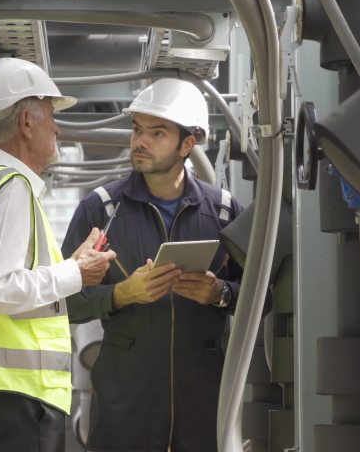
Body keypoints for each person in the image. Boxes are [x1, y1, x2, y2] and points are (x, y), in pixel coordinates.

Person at [0, 58, 117, 452]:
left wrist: (71, 264)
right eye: (51, 115)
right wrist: (74, 273)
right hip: (17, 391)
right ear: (26, 122)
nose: (57, 128)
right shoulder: (12, 188)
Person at [61, 79, 246, 452]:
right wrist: (119, 295)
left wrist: (220, 293)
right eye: (137, 129)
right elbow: (62, 302)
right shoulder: (101, 210)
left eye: (156, 133)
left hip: (205, 390)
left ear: (187, 144)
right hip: (126, 393)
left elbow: (264, 298)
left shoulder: (224, 212)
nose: (140, 141)